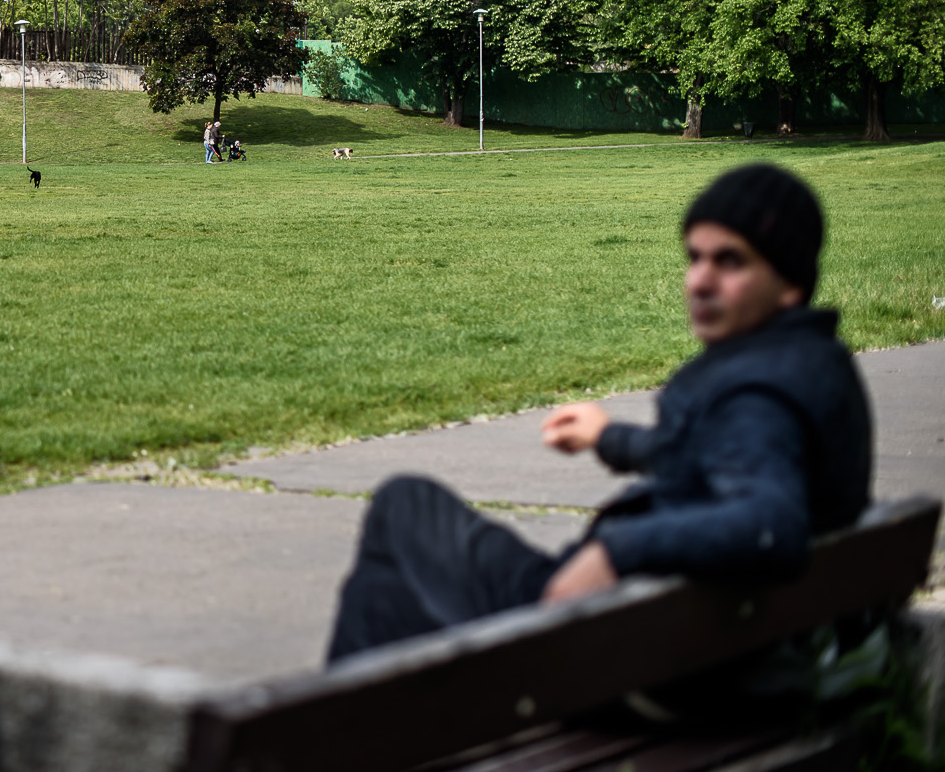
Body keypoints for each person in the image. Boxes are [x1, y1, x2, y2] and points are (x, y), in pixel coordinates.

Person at [326, 163, 871, 662]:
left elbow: (770, 522)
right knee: (389, 593)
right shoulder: (812, 366)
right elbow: (720, 458)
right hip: (699, 641)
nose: (700, 281)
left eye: (730, 261)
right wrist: (609, 437)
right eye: (695, 257)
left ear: (790, 284)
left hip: (625, 648)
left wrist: (615, 551)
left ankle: (339, 730)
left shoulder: (759, 397)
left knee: (405, 506)